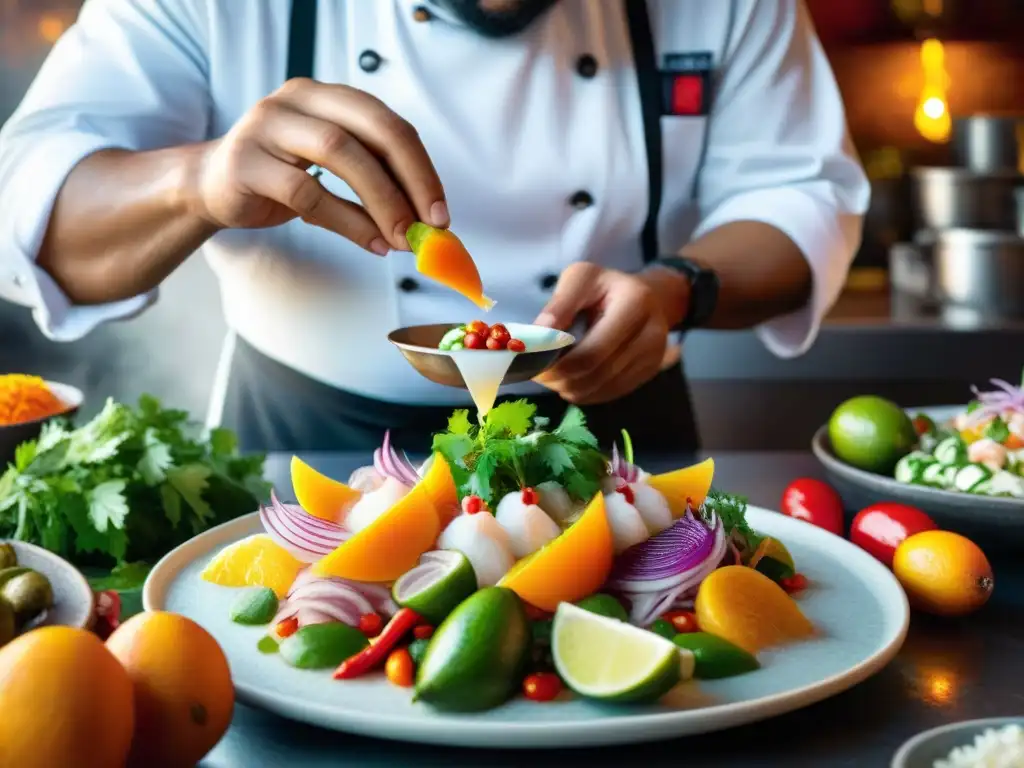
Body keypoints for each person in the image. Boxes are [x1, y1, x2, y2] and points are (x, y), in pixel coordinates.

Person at [0, 0, 869, 454]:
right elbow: (28, 213)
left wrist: (677, 291)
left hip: (616, 443)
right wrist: (197, 180)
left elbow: (802, 196)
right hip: (304, 450)